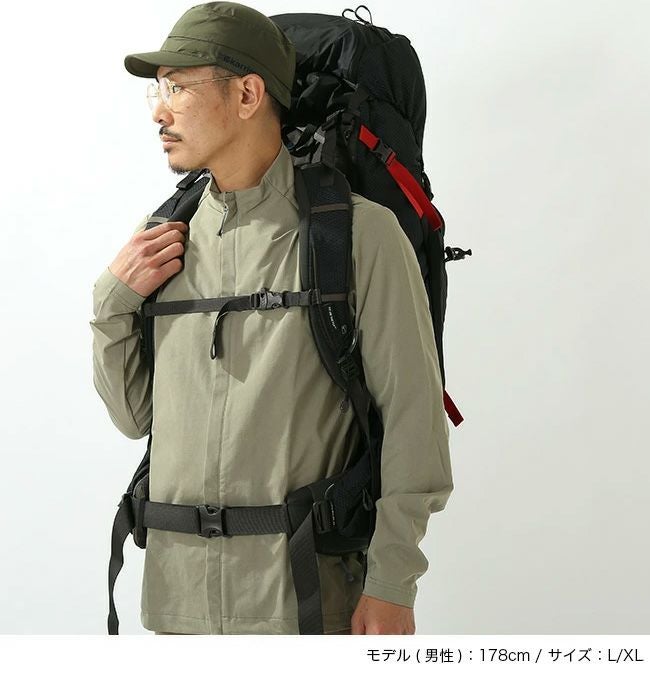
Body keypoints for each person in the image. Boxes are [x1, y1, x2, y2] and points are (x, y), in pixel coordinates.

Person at [90, 1, 453, 635]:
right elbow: (134, 417)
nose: (159, 112)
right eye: (158, 90)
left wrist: (393, 582)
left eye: (178, 87)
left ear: (248, 94)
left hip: (302, 606)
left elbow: (413, 419)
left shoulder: (358, 235)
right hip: (175, 607)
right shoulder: (164, 241)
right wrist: (111, 303)